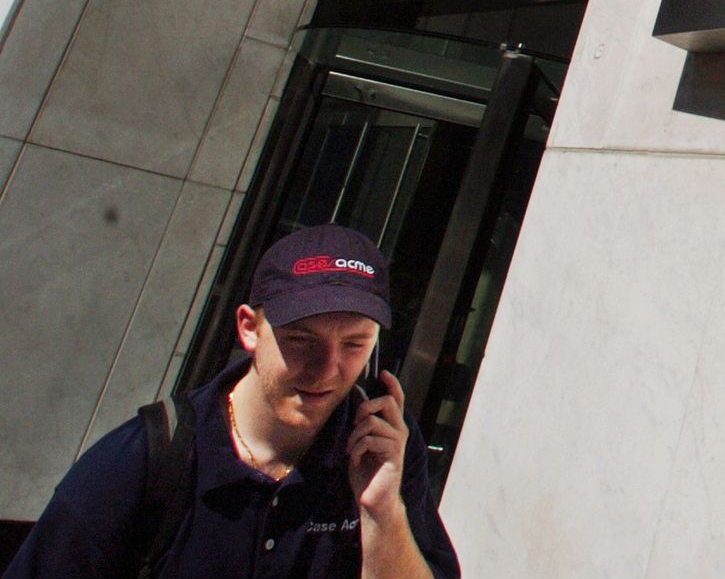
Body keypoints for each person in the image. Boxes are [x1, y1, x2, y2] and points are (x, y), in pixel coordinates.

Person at [3, 225, 459, 578]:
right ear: (248, 328)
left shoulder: (383, 448)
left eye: (354, 345)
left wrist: (381, 511)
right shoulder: (150, 459)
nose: (326, 370)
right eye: (301, 341)